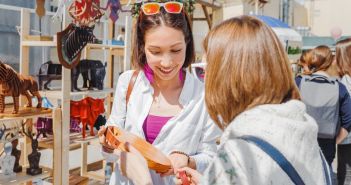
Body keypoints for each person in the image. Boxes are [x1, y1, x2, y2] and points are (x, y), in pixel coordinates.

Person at [111, 15, 333, 185]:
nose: (205, 77)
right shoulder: (301, 130)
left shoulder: (242, 153)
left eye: (210, 69)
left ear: (229, 77)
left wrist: (143, 180)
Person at [98, 1, 221, 184]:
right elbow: (111, 148)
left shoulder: (203, 95)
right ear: (142, 47)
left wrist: (189, 161)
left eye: (176, 50)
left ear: (187, 43)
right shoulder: (129, 83)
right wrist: (107, 144)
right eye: (155, 52)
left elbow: (211, 157)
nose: (166, 62)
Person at [295, 45, 351, 168]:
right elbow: (348, 121)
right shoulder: (340, 88)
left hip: (300, 141)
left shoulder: (298, 82)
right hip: (327, 145)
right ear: (329, 63)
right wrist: (334, 141)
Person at [336, 38, 351, 185]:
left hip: (346, 136)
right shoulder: (344, 80)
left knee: (345, 174)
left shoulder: (342, 80)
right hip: (347, 135)